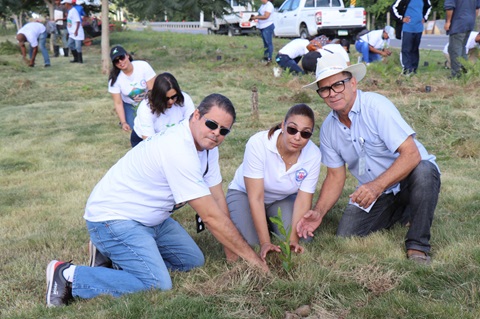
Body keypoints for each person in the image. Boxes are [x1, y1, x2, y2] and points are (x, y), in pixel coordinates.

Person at [45, 93, 269, 307]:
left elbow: (218, 199)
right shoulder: (179, 148)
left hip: (153, 219)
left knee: (191, 261)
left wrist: (232, 254)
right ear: (196, 116)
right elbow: (210, 216)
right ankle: (68, 275)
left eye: (223, 131)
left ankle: (116, 256)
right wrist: (254, 261)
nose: (216, 133)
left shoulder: (207, 148)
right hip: (114, 219)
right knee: (156, 283)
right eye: (211, 124)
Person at [299, 53, 441, 264]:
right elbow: (335, 177)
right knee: (347, 235)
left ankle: (417, 246)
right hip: (378, 191)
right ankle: (406, 211)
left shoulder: (376, 107)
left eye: (338, 84)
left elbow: (412, 154)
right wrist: (319, 212)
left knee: (425, 171)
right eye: (325, 89)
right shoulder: (328, 128)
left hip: (407, 178)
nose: (332, 93)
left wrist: (375, 186)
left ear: (353, 83)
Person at [226, 104, 321, 261]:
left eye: (305, 133)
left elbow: (303, 199)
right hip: (245, 195)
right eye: (292, 130)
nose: (297, 137)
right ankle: (246, 219)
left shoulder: (313, 154)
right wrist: (265, 242)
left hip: (281, 198)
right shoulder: (258, 143)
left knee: (304, 237)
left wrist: (292, 241)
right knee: (251, 246)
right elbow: (255, 197)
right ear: (283, 126)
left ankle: (269, 221)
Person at [131, 72, 195, 147]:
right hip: (146, 141)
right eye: (166, 98)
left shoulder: (185, 99)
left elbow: (192, 127)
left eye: (174, 96)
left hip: (174, 136)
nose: (171, 101)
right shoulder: (145, 108)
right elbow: (150, 143)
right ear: (158, 97)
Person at [108, 45, 155, 132]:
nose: (120, 62)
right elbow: (118, 103)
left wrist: (150, 106)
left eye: (122, 58)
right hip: (130, 104)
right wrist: (123, 122)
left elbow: (153, 90)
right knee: (135, 128)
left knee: (152, 123)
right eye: (116, 61)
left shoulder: (143, 66)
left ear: (127, 56)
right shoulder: (114, 80)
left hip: (149, 101)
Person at [391, 0, 432, 75]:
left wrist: (425, 18)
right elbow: (393, 7)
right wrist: (401, 18)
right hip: (407, 28)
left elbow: (429, 7)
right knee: (406, 49)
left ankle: (413, 69)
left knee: (415, 49)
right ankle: (406, 69)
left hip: (418, 28)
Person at [444, 0, 480, 78]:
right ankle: (466, 70)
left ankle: (456, 74)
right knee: (463, 47)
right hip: (469, 23)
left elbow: (449, 7)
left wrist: (448, 22)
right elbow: (477, 9)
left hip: (458, 23)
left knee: (455, 49)